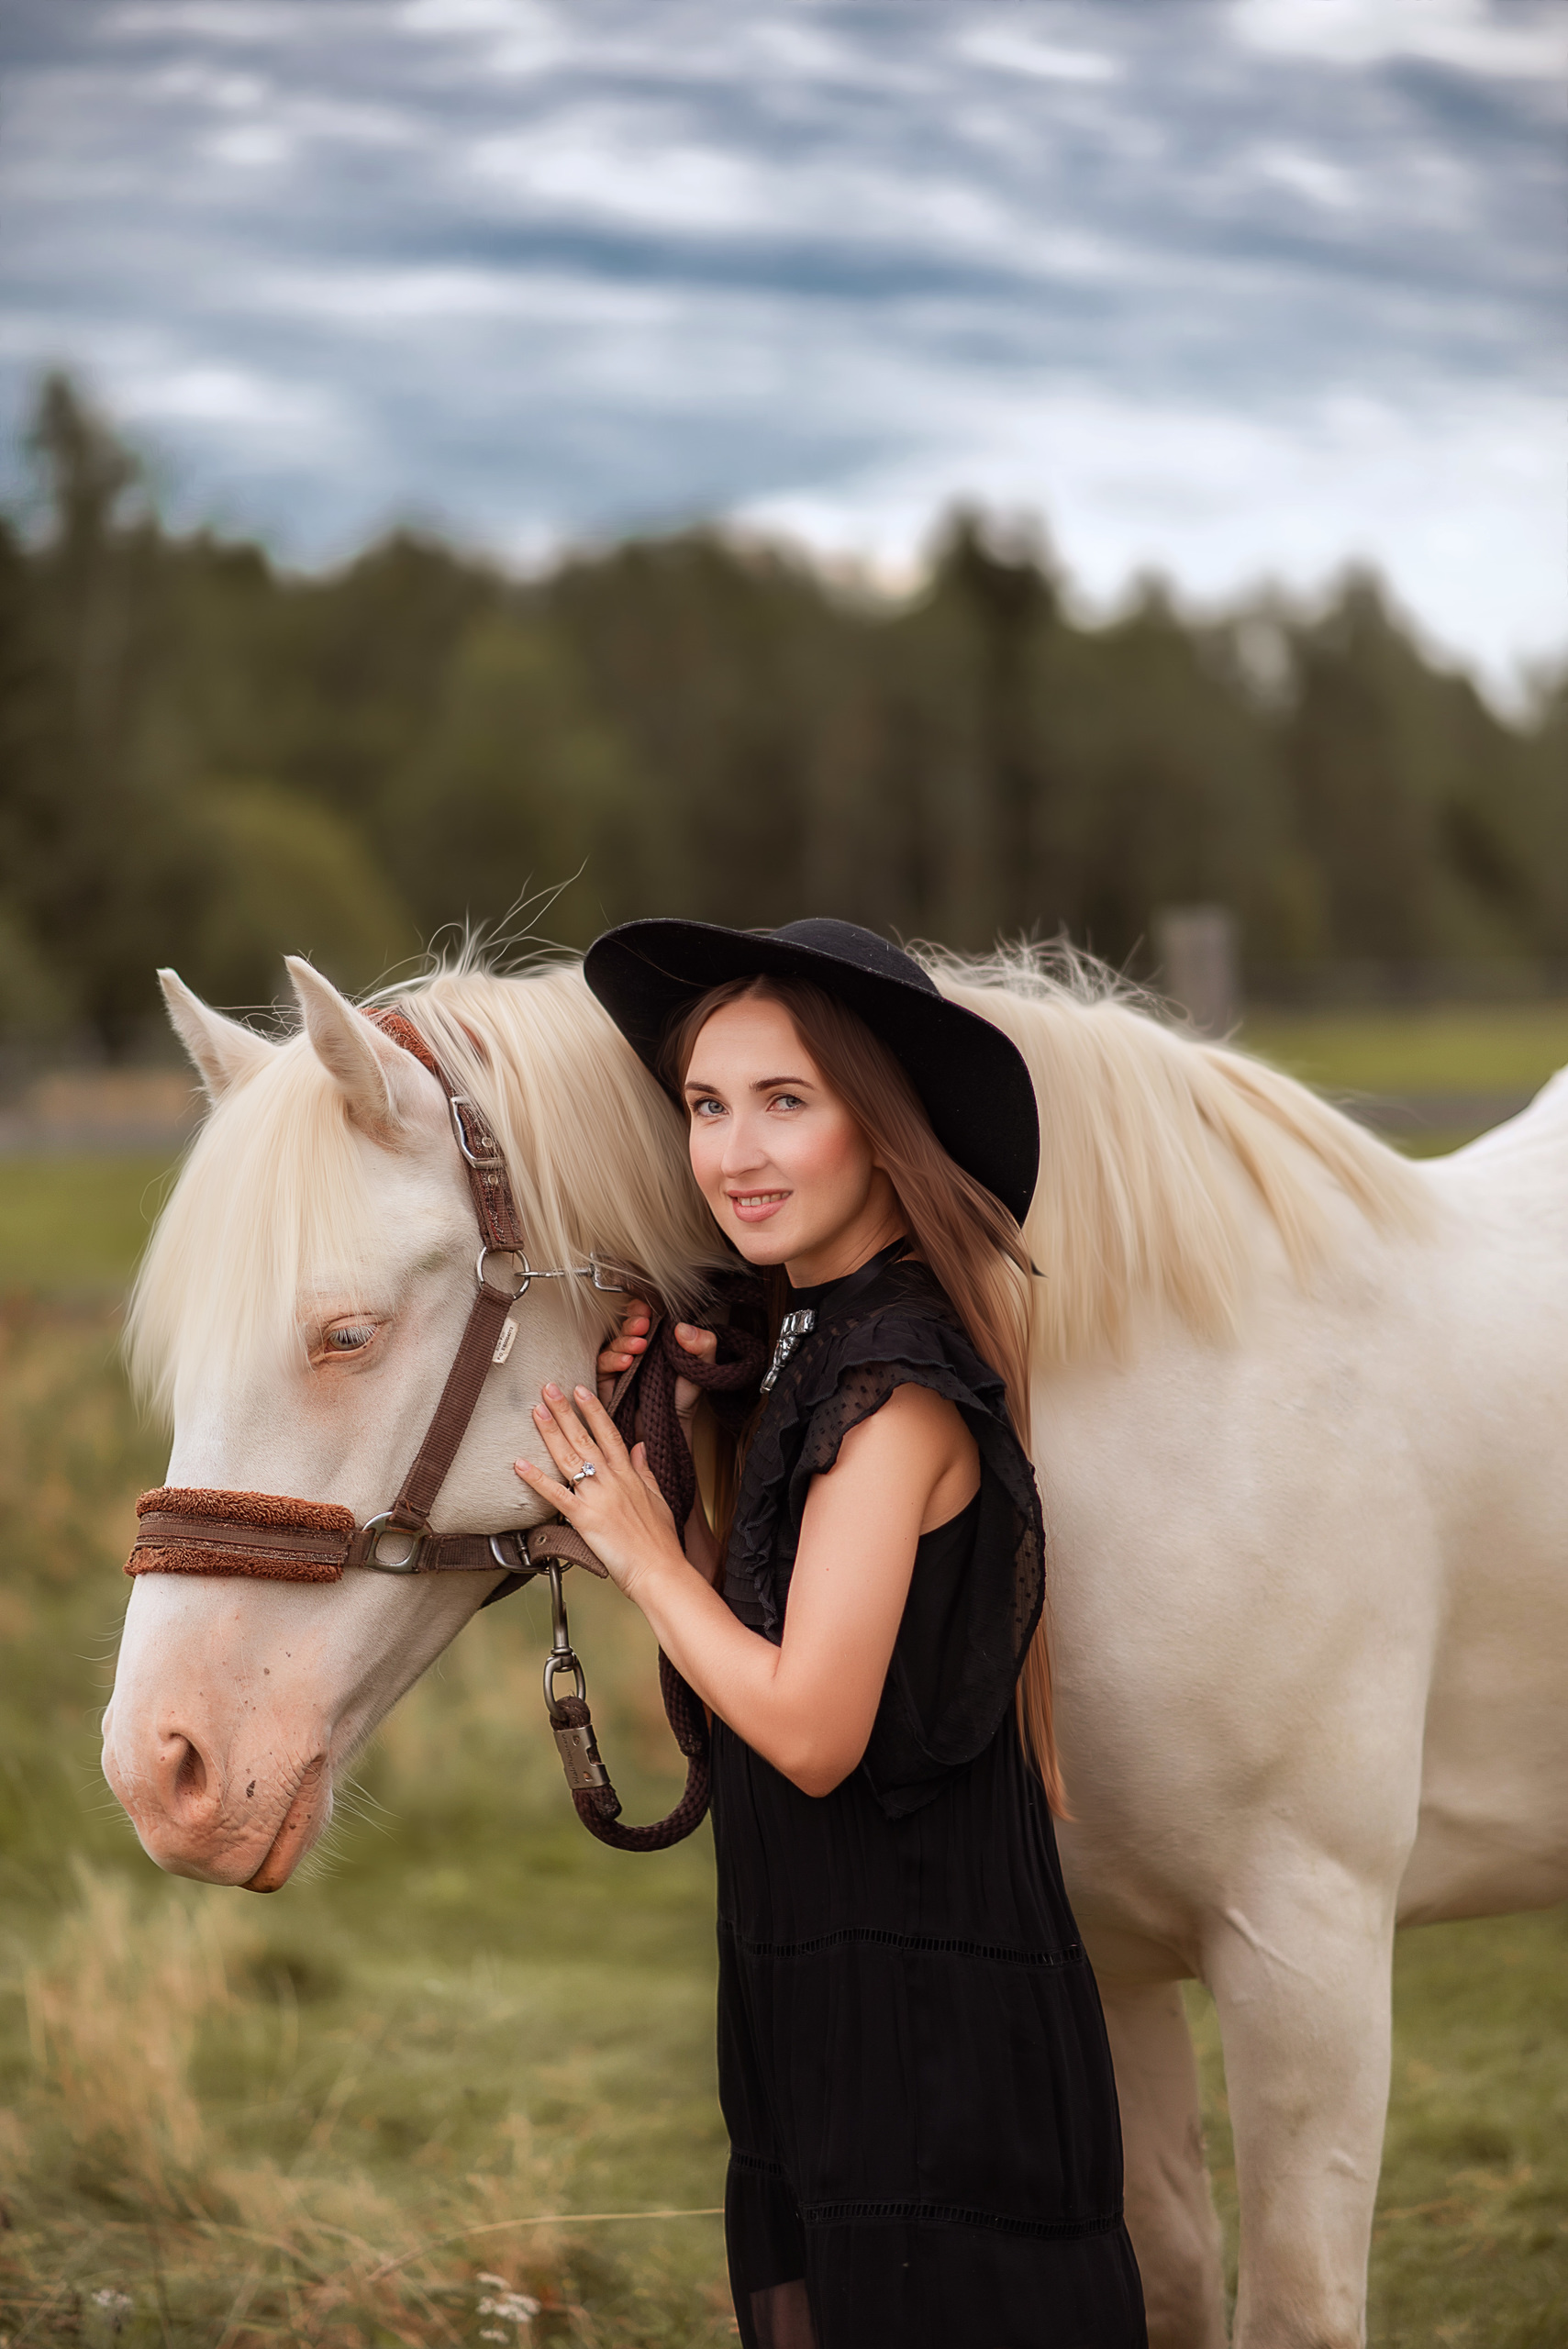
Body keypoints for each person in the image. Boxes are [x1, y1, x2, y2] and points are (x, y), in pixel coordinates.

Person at [514, 918, 1146, 2349]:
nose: (734, 1152)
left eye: (785, 1103)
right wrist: (662, 1476)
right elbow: (760, 1648)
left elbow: (807, 1731)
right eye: (706, 1105)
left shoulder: (894, 1389)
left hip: (924, 2010)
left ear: (881, 1126)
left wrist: (630, 1549)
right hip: (820, 1963)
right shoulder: (810, 1351)